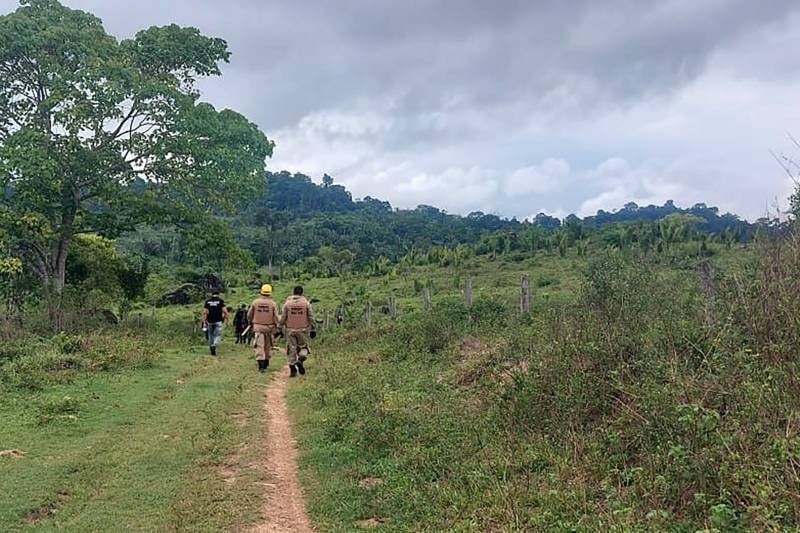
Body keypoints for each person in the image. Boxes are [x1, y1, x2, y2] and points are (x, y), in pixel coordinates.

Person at [279, 285, 315, 377]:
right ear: (302, 293)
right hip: (303, 330)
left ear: (293, 293)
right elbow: (311, 317)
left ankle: (292, 369)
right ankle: (300, 360)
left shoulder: (287, 304)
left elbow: (283, 317)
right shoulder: (306, 303)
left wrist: (279, 327)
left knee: (292, 348)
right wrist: (313, 328)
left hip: (290, 330)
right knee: (303, 347)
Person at [247, 284, 279, 373]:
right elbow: (276, 317)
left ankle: (261, 366)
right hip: (269, 328)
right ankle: (266, 363)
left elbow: (249, 315)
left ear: (261, 291)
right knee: (268, 346)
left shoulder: (255, 302)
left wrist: (250, 321)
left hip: (258, 328)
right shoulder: (273, 304)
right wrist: (278, 326)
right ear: (270, 293)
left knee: (259, 346)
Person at [202, 290, 228, 356]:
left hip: (209, 321)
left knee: (210, 335)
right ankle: (214, 345)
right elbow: (225, 311)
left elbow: (205, 312)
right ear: (218, 294)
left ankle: (211, 349)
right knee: (218, 335)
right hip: (218, 321)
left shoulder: (207, 301)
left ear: (212, 294)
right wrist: (226, 318)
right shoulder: (220, 301)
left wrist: (204, 321)